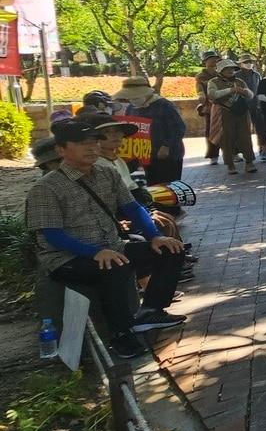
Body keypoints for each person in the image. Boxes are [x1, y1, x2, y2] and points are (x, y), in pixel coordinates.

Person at [26, 120, 187, 359]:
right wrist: (94, 252)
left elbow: (133, 208)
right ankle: (120, 335)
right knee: (115, 267)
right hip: (67, 257)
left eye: (94, 143)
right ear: (61, 150)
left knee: (172, 250)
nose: (91, 148)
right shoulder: (46, 188)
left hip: (113, 246)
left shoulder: (107, 173)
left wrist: (154, 236)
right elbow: (52, 235)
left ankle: (151, 311)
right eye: (82, 144)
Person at [114, 77, 185, 184]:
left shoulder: (164, 105)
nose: (133, 100)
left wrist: (166, 146)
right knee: (152, 187)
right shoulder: (131, 109)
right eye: (130, 98)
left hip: (168, 156)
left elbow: (178, 128)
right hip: (145, 156)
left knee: (168, 187)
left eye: (136, 97)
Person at [207, 59, 258, 175]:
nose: (231, 70)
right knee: (226, 139)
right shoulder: (213, 82)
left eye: (232, 68)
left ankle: (249, 162)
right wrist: (231, 90)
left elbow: (251, 95)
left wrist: (244, 92)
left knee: (245, 137)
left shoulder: (239, 81)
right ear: (221, 70)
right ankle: (230, 164)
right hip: (224, 113)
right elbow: (212, 94)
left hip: (241, 112)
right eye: (227, 68)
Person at [195, 50, 223, 165]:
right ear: (205, 62)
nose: (213, 62)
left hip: (224, 106)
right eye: (210, 60)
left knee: (229, 130)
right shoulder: (200, 76)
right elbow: (199, 89)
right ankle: (213, 155)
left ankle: (232, 153)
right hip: (210, 107)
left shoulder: (222, 74)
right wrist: (201, 95)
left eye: (215, 60)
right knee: (210, 131)